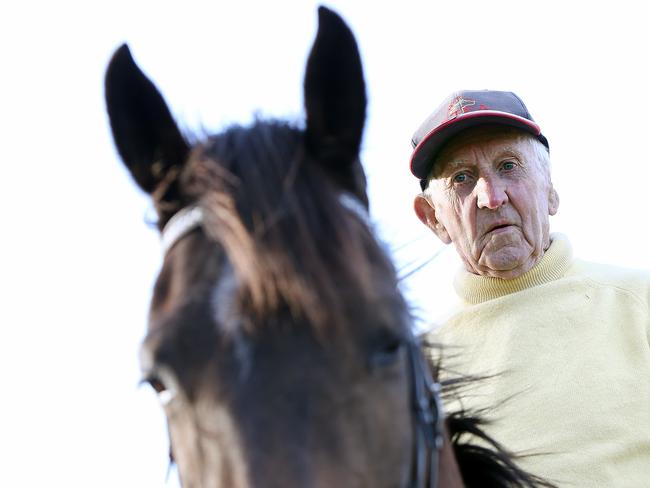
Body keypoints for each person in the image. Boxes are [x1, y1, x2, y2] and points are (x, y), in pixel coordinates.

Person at [410, 90, 650, 487]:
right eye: (462, 179)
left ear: (551, 190)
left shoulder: (639, 303)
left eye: (509, 166)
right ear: (432, 219)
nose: (491, 196)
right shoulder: (418, 369)